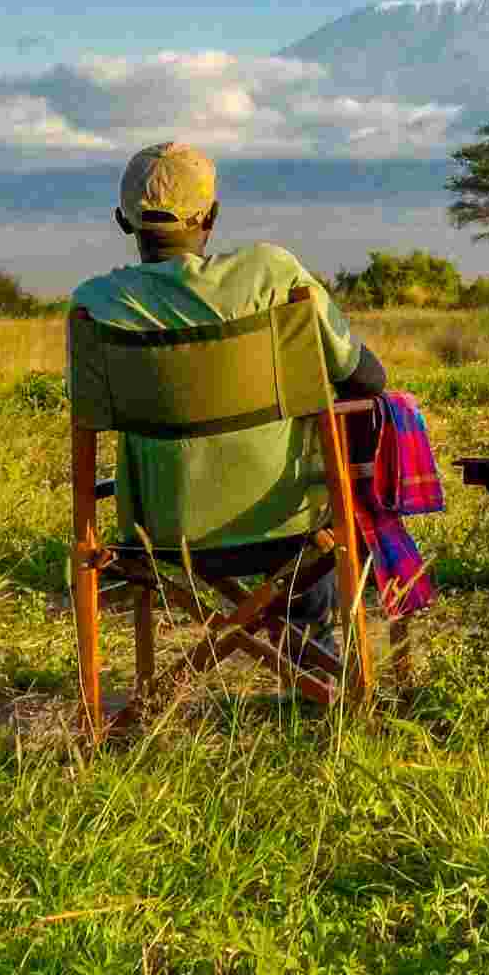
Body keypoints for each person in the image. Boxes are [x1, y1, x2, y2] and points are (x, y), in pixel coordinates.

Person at [69, 142, 441, 625]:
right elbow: (367, 378)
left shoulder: (95, 303)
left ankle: (283, 646)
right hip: (288, 524)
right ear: (212, 215)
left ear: (123, 220)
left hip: (159, 531)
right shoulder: (273, 274)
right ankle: (307, 646)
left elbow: (87, 410)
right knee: (321, 472)